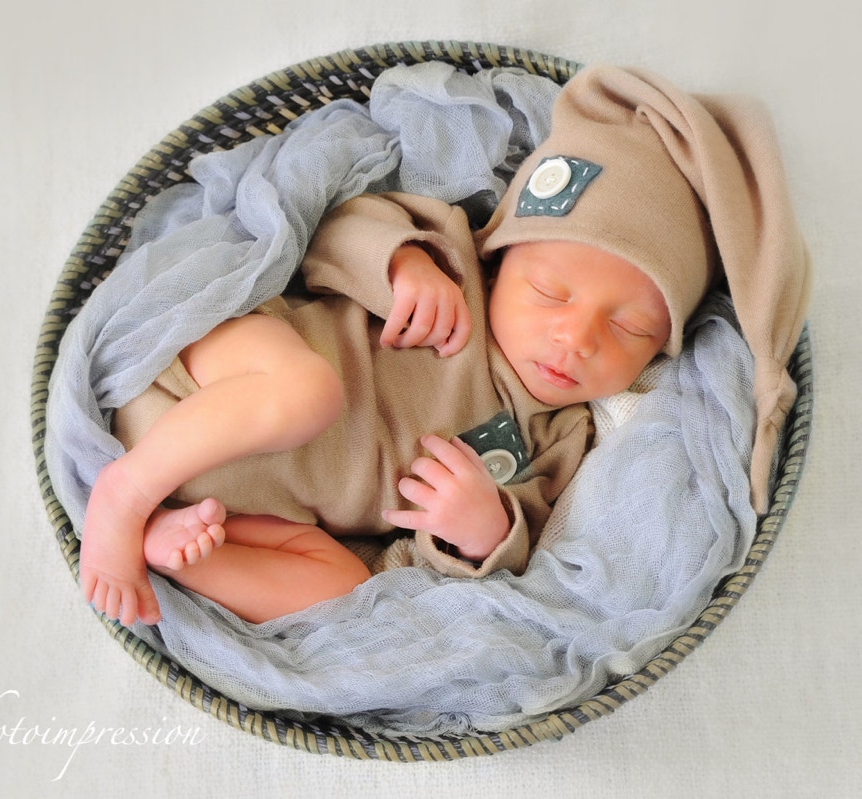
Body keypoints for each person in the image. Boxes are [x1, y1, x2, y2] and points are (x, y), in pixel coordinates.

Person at [77, 63, 810, 627]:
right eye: (550, 292)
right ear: (501, 257)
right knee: (308, 390)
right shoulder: (453, 262)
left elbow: (523, 536)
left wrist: (484, 529)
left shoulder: (562, 436)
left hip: (244, 509)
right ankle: (124, 494)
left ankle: (171, 552)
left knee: (348, 588)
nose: (576, 337)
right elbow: (329, 231)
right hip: (201, 377)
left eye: (629, 329)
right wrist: (401, 265)